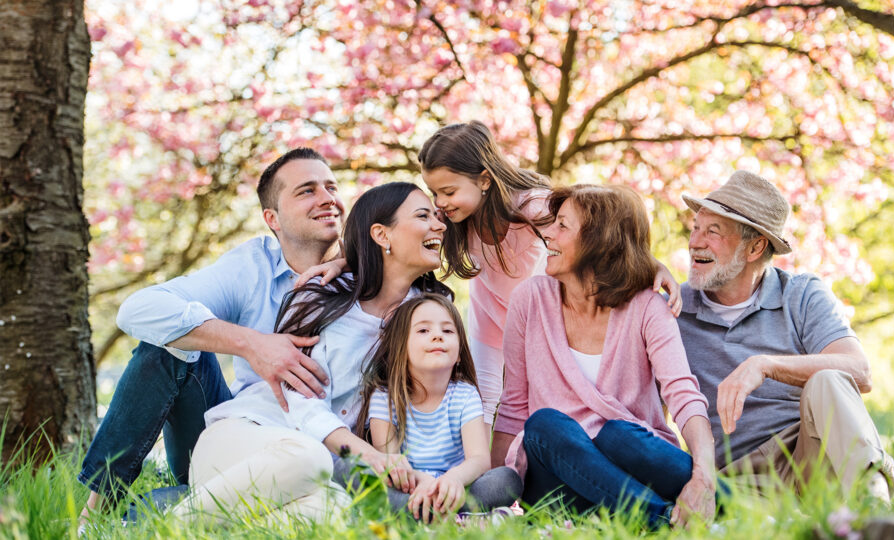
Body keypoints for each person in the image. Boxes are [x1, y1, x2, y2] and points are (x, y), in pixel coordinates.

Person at [77, 148, 346, 522]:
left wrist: (355, 256)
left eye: (331, 187)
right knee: (166, 345)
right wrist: (253, 344)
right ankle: (95, 514)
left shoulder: (373, 263)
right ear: (273, 219)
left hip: (322, 446)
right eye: (307, 191)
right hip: (241, 435)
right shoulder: (252, 266)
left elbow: (430, 241)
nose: (328, 199)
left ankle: (167, 511)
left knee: (325, 506)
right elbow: (138, 309)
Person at [171, 182, 453, 521]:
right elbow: (301, 403)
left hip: (313, 475)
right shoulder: (320, 296)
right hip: (247, 441)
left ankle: (171, 516)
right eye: (424, 216)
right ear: (381, 234)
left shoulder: (431, 314)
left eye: (437, 217)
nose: (439, 225)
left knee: (338, 512)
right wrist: (372, 457)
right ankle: (174, 522)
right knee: (311, 458)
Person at [416, 121, 681, 426]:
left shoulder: (535, 206)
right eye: (434, 193)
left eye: (448, 191)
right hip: (491, 309)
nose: (440, 202)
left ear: (485, 180)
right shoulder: (454, 220)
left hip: (543, 317)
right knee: (484, 395)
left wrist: (653, 265)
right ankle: (485, 467)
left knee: (555, 403)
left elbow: (602, 237)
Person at [492, 185, 719, 529]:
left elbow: (683, 394)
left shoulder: (646, 308)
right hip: (555, 480)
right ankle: (664, 521)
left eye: (562, 226)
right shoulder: (530, 300)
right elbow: (513, 407)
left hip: (630, 468)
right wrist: (494, 494)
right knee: (545, 425)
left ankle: (718, 502)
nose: (547, 234)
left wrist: (704, 473)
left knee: (619, 435)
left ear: (601, 241)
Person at [676, 170, 894, 501]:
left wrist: (766, 365)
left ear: (756, 247)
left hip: (810, 457)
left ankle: (873, 504)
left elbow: (860, 372)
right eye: (696, 228)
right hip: (739, 481)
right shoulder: (674, 310)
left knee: (829, 379)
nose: (695, 242)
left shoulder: (803, 295)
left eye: (713, 232)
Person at [349, 293, 522, 522]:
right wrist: (425, 483)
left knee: (506, 479)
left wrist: (453, 480)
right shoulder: (385, 397)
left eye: (448, 331)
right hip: (407, 487)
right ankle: (459, 517)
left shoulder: (464, 394)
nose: (437, 336)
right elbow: (390, 461)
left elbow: (480, 459)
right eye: (423, 331)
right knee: (353, 473)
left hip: (457, 489)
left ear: (459, 352)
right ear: (401, 346)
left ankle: (428, 516)